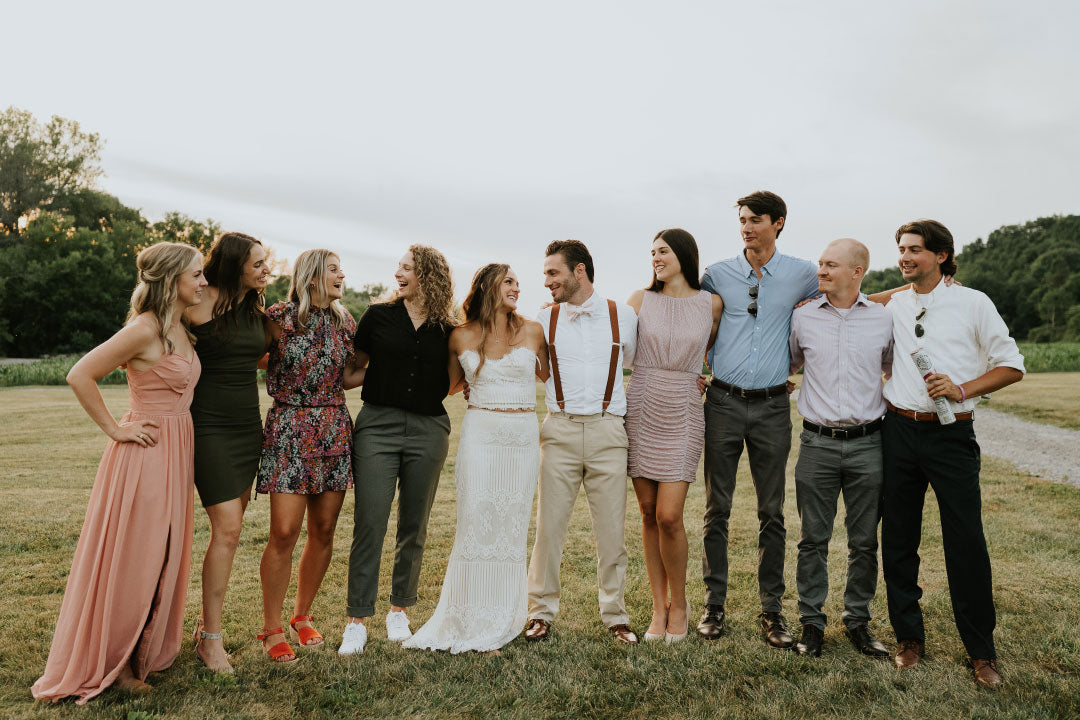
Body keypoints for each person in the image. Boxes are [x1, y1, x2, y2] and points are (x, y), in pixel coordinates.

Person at [31, 242, 206, 703]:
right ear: (172, 280)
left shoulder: (181, 326)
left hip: (178, 449)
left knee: (166, 553)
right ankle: (118, 664)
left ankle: (141, 649)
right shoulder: (144, 329)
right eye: (197, 275)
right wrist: (116, 429)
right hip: (144, 453)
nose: (204, 283)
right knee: (138, 558)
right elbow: (79, 374)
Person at [880, 220, 1024, 688]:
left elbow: (1012, 366)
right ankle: (908, 638)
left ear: (941, 255)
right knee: (899, 539)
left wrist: (962, 389)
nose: (905, 257)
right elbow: (860, 300)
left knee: (966, 543)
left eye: (915, 250)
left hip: (952, 437)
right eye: (901, 249)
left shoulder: (973, 302)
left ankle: (981, 651)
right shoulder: (896, 303)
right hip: (898, 430)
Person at [403, 264, 549, 653]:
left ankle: (502, 616)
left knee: (511, 525)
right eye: (509, 282)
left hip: (521, 438)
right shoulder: (460, 335)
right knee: (477, 520)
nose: (517, 287)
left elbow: (551, 378)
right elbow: (450, 385)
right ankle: (467, 617)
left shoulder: (533, 330)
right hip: (481, 436)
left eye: (519, 282)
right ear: (487, 286)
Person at [697, 191, 818, 648]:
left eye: (755, 220)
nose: (747, 227)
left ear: (779, 223)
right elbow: (694, 321)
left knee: (772, 511)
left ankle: (772, 612)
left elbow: (842, 300)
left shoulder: (804, 274)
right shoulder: (717, 274)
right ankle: (714, 605)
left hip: (771, 407)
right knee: (717, 508)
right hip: (723, 403)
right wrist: (697, 369)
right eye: (742, 220)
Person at [340, 245, 457, 655]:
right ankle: (356, 619)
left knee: (415, 525)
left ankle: (399, 611)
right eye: (399, 267)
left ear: (427, 275)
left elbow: (455, 378)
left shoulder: (448, 327)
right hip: (377, 426)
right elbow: (352, 370)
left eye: (406, 268)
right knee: (370, 522)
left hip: (428, 429)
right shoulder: (377, 317)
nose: (398, 274)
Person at [525, 239, 640, 645]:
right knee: (548, 529)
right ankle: (540, 612)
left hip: (609, 430)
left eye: (553, 273)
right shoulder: (542, 319)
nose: (546, 282)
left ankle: (616, 615)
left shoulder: (622, 315)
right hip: (559, 430)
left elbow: (636, 363)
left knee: (612, 532)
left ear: (579, 271)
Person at [788, 238, 893, 659]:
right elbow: (791, 362)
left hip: (870, 444)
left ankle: (858, 622)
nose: (821, 271)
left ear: (857, 272)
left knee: (865, 541)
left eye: (830, 265)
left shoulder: (883, 320)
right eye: (820, 264)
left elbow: (891, 368)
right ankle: (811, 624)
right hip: (817, 443)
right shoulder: (803, 320)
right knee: (812, 539)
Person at [256, 249, 356, 663]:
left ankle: (301, 615)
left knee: (325, 529)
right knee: (283, 531)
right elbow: (255, 357)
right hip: (289, 431)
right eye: (334, 269)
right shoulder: (279, 317)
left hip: (333, 429)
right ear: (312, 276)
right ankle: (271, 628)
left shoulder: (345, 322)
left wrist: (391, 369)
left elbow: (346, 376)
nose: (341, 275)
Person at [625, 229, 721, 642]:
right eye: (652, 253)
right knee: (647, 512)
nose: (655, 258)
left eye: (662, 251)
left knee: (670, 515)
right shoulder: (639, 300)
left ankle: (680, 604)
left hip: (683, 406)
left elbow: (721, 349)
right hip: (642, 400)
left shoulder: (711, 303)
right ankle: (657, 608)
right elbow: (614, 347)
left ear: (684, 254)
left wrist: (707, 379)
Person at [184, 231, 271, 672]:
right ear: (235, 263)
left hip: (247, 428)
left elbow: (268, 358)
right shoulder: (197, 298)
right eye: (257, 263)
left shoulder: (259, 310)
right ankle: (211, 641)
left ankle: (204, 625)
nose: (265, 270)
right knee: (230, 530)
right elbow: (152, 344)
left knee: (229, 533)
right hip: (209, 426)